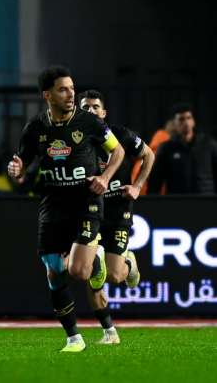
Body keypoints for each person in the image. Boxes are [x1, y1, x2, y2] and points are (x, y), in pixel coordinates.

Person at [7, 66, 124, 353]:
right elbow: (22, 163)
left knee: (79, 271)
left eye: (72, 88)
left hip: (86, 202)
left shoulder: (90, 122)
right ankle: (74, 338)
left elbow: (118, 151)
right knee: (54, 271)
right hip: (53, 205)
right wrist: (17, 169)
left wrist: (105, 177)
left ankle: (95, 260)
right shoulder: (35, 128)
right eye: (63, 89)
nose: (71, 94)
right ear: (47, 95)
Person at [79, 90, 154, 345]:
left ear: (104, 112)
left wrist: (137, 186)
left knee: (114, 275)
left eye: (95, 107)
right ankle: (109, 332)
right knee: (92, 270)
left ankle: (129, 263)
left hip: (117, 210)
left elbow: (149, 155)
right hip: (89, 210)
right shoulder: (75, 140)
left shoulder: (120, 135)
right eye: (85, 107)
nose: (91, 111)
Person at [149, 103, 217, 195]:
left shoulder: (209, 144)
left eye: (189, 118)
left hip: (206, 199)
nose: (186, 122)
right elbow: (155, 181)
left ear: (193, 121)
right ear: (174, 124)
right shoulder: (166, 148)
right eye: (181, 119)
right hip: (177, 200)